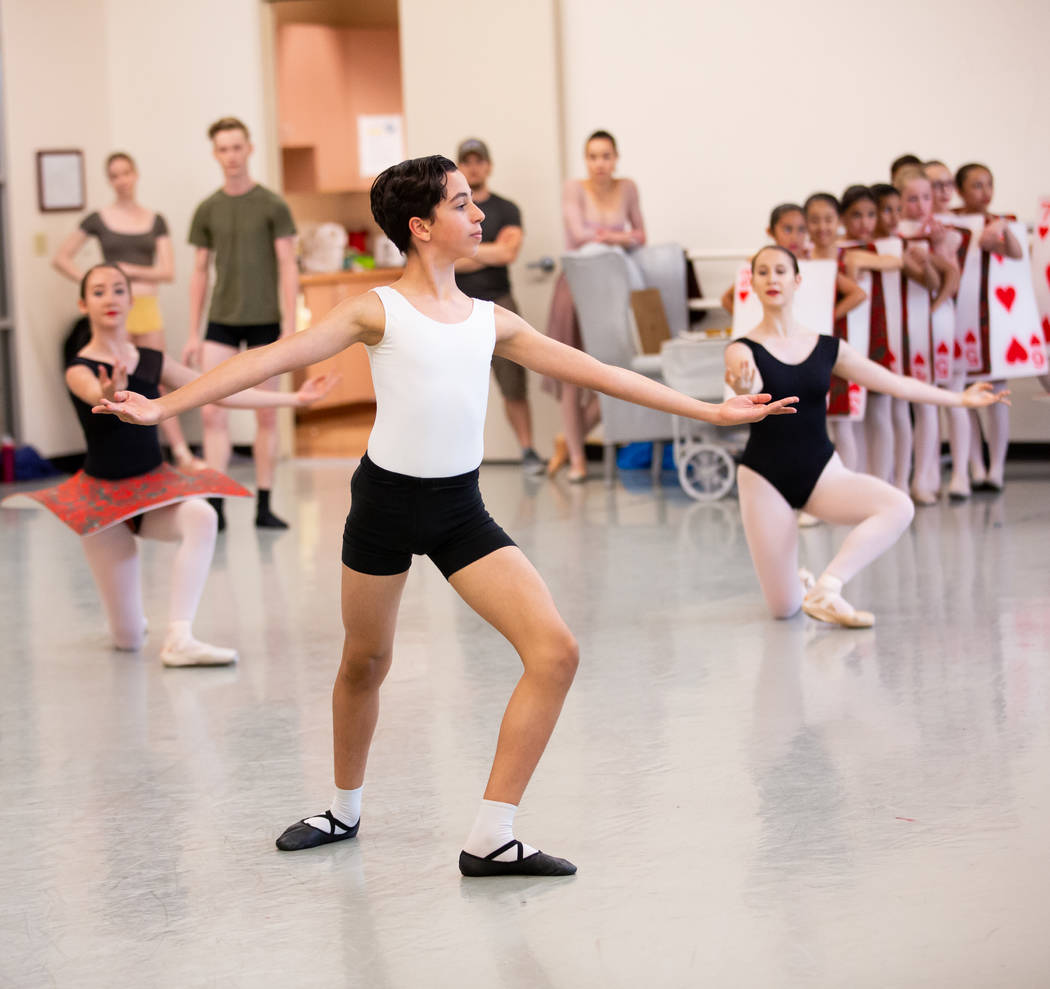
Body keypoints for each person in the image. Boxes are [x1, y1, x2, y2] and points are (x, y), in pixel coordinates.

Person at [95, 155, 797, 876]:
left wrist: (710, 407)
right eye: (464, 204)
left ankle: (493, 833)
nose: (480, 214)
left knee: (555, 650)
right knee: (366, 660)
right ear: (422, 226)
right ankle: (343, 805)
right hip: (383, 504)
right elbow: (273, 357)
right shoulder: (377, 308)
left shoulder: (491, 320)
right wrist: (163, 405)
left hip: (460, 508)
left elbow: (596, 371)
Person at [7, 264, 334, 666]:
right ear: (83, 303)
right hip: (104, 503)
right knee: (126, 640)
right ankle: (131, 625)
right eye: (98, 292)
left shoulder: (151, 360)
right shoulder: (78, 367)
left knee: (200, 516)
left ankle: (179, 637)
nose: (110, 298)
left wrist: (293, 401)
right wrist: (109, 393)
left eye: (118, 290)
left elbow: (218, 391)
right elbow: (93, 391)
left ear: (131, 300)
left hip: (153, 489)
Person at [724, 245, 1008, 628]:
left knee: (898, 507)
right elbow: (748, 380)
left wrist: (959, 398)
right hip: (763, 478)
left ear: (797, 281)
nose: (772, 278)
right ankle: (801, 582)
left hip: (822, 471)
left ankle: (827, 587)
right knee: (783, 610)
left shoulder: (828, 347)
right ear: (753, 284)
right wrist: (745, 382)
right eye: (762, 272)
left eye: (780, 271)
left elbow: (894, 383)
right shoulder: (742, 348)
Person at [51, 152, 203, 472]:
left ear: (136, 175)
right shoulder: (99, 218)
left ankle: (180, 451)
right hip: (113, 314)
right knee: (119, 384)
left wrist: (126, 272)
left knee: (153, 381)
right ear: (110, 180)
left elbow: (167, 271)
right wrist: (94, 285)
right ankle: (134, 452)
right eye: (115, 175)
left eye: (126, 173)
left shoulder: (154, 219)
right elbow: (61, 257)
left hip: (144, 306)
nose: (122, 180)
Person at [184, 117, 299, 530]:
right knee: (213, 414)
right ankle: (215, 504)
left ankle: (264, 505)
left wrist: (289, 324)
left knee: (265, 416)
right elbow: (199, 271)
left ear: (249, 149)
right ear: (215, 154)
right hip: (221, 321)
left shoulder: (272, 205)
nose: (231, 156)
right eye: (223, 149)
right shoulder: (208, 209)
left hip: (266, 321)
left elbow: (288, 264)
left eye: (237, 147)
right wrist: (193, 332)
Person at [544, 130, 646, 481]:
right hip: (575, 287)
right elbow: (578, 233)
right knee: (573, 375)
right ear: (585, 160)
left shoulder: (628, 187)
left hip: (614, 289)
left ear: (616, 158)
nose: (599, 163)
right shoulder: (574, 187)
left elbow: (642, 235)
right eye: (593, 156)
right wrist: (621, 237)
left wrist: (609, 236)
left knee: (617, 370)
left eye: (606, 155)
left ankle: (569, 439)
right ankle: (577, 459)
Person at [453, 138, 544, 474]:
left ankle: (528, 450)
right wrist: (484, 252)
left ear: (488, 166)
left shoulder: (507, 208)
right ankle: (458, 457)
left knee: (514, 385)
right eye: (467, 161)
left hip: (500, 305)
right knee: (456, 386)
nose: (474, 167)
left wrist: (467, 251)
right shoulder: (452, 209)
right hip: (457, 306)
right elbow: (446, 257)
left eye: (479, 161)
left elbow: (508, 254)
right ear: (459, 166)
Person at [954, 162, 1022, 493]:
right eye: (976, 185)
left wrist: (1002, 233)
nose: (985, 192)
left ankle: (996, 468)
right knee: (965, 393)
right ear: (960, 191)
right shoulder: (949, 223)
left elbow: (1017, 254)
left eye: (989, 184)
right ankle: (975, 466)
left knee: (997, 394)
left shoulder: (1001, 222)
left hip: (992, 318)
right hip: (959, 318)